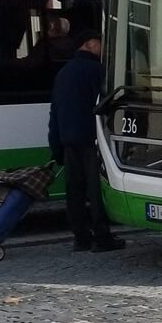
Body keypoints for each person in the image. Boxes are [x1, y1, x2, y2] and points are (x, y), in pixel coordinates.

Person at [48, 29, 122, 252]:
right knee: (95, 188)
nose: (103, 49)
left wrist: (56, 145)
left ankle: (80, 237)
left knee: (75, 190)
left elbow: (55, 112)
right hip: (92, 138)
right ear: (89, 44)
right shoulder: (97, 71)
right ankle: (102, 237)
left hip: (68, 139)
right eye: (100, 44)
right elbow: (107, 106)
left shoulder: (63, 73)